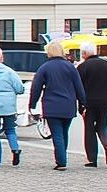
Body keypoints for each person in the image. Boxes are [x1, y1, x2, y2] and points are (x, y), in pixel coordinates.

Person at [29, 40, 86, 171]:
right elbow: (79, 87)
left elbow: (36, 87)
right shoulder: (70, 67)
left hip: (52, 105)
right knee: (64, 132)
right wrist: (83, 102)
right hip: (68, 105)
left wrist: (32, 103)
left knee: (57, 134)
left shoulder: (44, 68)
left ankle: (61, 161)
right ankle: (62, 156)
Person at [77, 41, 107, 167]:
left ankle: (92, 159)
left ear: (84, 53)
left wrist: (80, 104)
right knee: (102, 126)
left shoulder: (83, 67)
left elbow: (79, 87)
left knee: (89, 130)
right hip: (105, 101)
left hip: (89, 103)